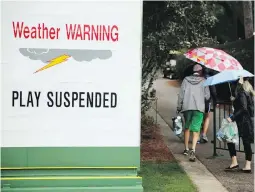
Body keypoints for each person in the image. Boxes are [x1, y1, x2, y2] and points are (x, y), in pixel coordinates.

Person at [177, 64, 210, 162]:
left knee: (187, 127)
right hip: (199, 108)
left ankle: (186, 148)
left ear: (193, 71)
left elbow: (181, 94)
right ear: (200, 71)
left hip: (187, 107)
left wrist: (179, 106)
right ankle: (193, 149)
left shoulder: (186, 80)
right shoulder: (204, 81)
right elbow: (207, 96)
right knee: (196, 129)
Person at [225, 77, 254, 173]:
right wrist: (234, 100)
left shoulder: (241, 93)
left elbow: (243, 108)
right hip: (246, 121)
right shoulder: (247, 94)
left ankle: (235, 162)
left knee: (231, 139)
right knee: (246, 143)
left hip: (242, 121)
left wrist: (232, 117)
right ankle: (247, 165)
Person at [200, 69, 219, 143]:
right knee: (207, 117)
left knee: (199, 116)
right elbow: (213, 91)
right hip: (207, 101)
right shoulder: (210, 79)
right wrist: (216, 101)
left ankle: (197, 135)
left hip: (198, 101)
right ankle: (204, 134)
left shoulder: (199, 78)